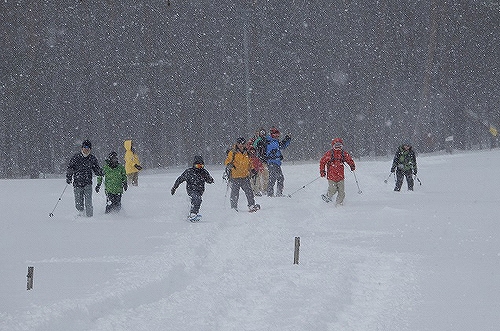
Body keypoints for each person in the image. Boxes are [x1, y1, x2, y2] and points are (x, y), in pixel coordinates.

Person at [66, 140, 104, 217]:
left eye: (88, 148)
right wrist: (69, 177)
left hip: (87, 183)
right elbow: (70, 168)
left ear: (90, 149)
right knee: (78, 204)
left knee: (88, 203)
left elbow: (96, 169)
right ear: (82, 148)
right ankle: (81, 214)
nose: (86, 149)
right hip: (77, 183)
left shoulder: (92, 158)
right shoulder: (76, 157)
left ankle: (90, 218)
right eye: (85, 147)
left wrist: (100, 172)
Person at [171, 155, 214, 221]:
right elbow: (180, 179)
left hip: (200, 191)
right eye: (198, 166)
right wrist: (174, 188)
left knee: (197, 200)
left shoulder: (204, 172)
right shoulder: (189, 172)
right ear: (194, 165)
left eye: (201, 166)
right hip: (191, 189)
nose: (200, 168)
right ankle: (193, 213)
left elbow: (209, 180)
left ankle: (192, 213)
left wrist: (210, 179)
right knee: (197, 199)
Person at [224, 137, 260, 212]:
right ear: (237, 143)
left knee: (249, 192)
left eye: (243, 143)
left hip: (245, 176)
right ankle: (233, 208)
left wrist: (253, 169)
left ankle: (251, 205)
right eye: (239, 143)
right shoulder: (232, 152)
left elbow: (249, 163)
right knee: (234, 193)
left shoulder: (247, 152)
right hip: (235, 177)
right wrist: (229, 164)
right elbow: (227, 161)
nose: (241, 145)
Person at [319, 138, 356, 206]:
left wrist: (352, 165)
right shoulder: (329, 153)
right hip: (331, 176)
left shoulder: (343, 153)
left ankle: (339, 204)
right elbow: (322, 162)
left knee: (341, 192)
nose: (338, 147)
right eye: (336, 145)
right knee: (333, 189)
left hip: (340, 176)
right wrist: (322, 171)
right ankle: (327, 196)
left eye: (340, 146)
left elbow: (349, 159)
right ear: (333, 146)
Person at [266, 127, 291, 197]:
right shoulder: (270, 141)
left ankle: (278, 193)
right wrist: (286, 139)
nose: (278, 136)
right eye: (276, 135)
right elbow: (279, 147)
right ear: (272, 134)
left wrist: (287, 139)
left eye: (278, 135)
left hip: (276, 162)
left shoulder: (275, 141)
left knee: (280, 178)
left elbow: (281, 146)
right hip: (271, 162)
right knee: (273, 178)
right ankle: (270, 194)